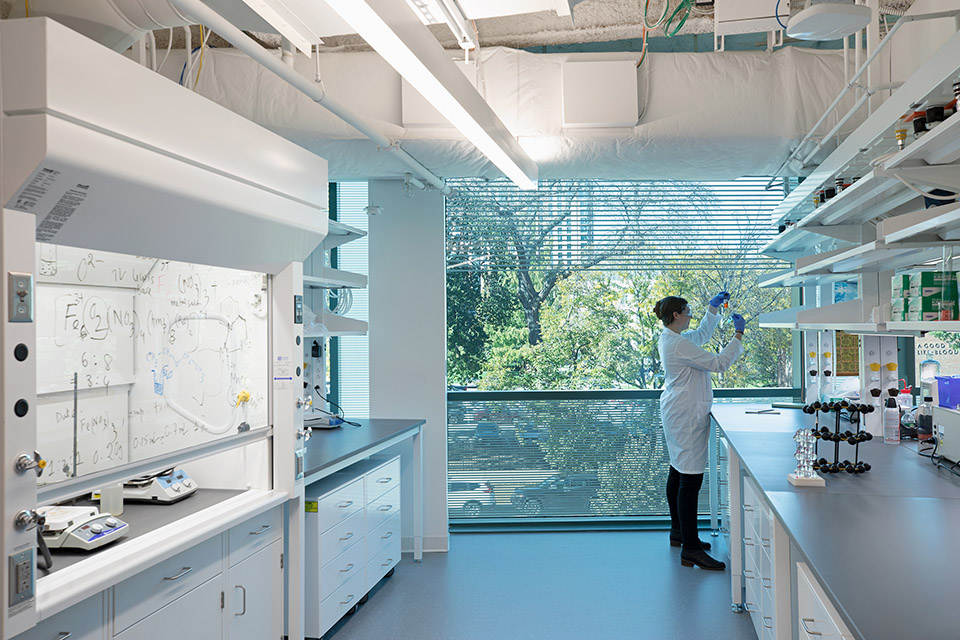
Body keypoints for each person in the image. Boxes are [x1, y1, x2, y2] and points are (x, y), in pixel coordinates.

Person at [655, 292, 745, 571]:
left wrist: (712, 309)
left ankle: (680, 533)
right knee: (690, 480)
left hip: (677, 410)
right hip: (686, 414)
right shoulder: (678, 345)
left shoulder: (672, 338)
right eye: (688, 311)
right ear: (676, 316)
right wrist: (738, 335)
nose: (691, 315)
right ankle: (691, 549)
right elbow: (719, 363)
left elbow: (702, 335)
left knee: (677, 470)